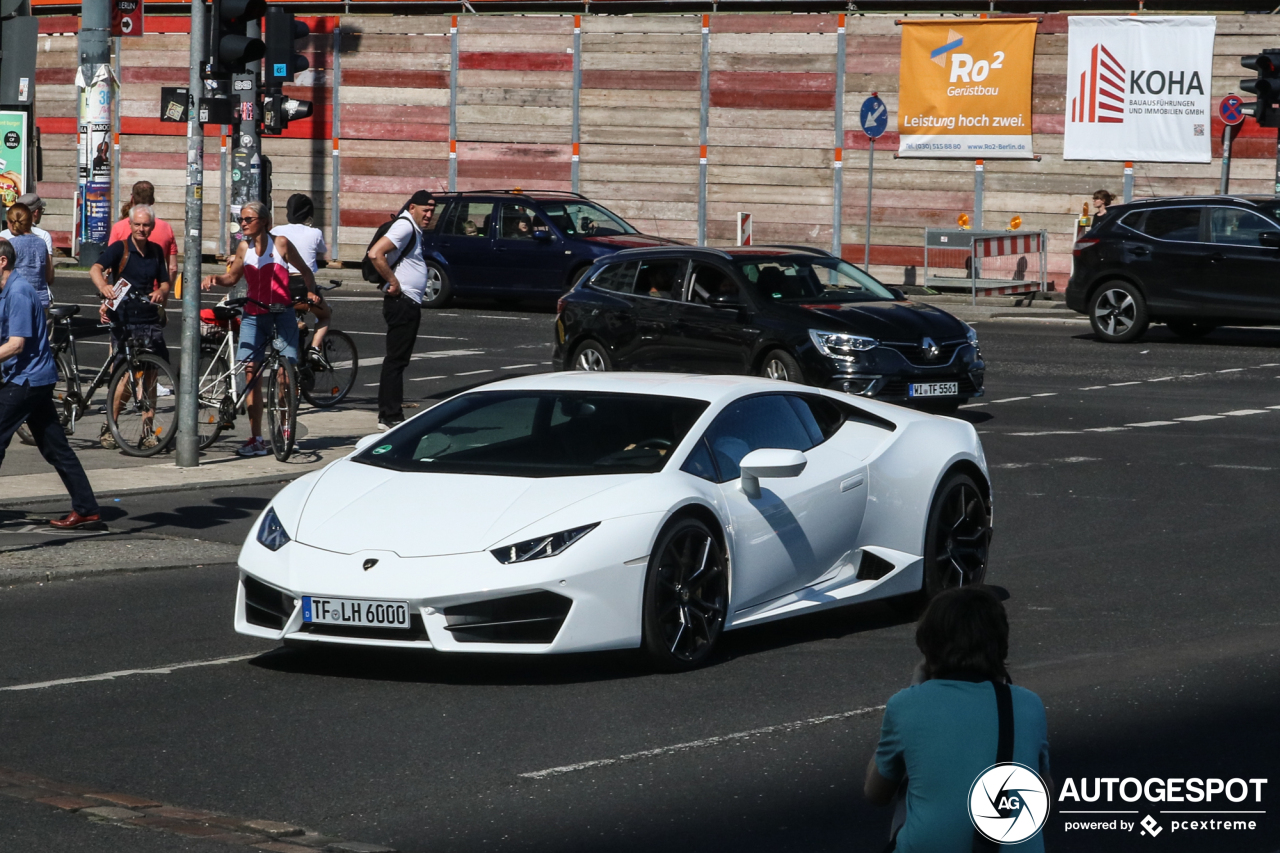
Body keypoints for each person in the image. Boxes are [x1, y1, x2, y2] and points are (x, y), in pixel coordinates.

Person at [864, 587, 1053, 852]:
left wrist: (914, 689)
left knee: (908, 790)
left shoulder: (907, 704)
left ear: (928, 646)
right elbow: (1045, 797)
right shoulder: (1028, 704)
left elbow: (875, 793)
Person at [201, 201, 316, 457]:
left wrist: (309, 293)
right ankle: (256, 438)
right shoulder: (244, 247)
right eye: (242, 219)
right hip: (253, 315)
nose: (243, 223)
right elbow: (232, 277)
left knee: (285, 376)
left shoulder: (282, 243)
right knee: (251, 376)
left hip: (282, 314)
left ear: (264, 221)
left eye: (248, 219)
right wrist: (215, 278)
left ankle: (286, 429)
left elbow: (306, 271)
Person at [0, 239, 101, 529]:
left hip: (26, 380)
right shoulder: (6, 291)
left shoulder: (18, 293)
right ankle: (87, 508)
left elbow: (16, 344)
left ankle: (86, 507)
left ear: (2, 262)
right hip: (34, 378)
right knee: (55, 448)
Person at [89, 204, 171, 450]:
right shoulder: (120, 248)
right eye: (137, 224)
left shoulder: (156, 251)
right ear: (131, 225)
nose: (142, 229)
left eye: (146, 225)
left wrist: (160, 291)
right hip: (124, 320)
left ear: (152, 226)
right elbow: (95, 268)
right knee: (124, 377)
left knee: (151, 377)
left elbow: (166, 284)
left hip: (149, 320)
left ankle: (148, 432)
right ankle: (111, 426)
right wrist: (103, 286)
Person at [366, 190, 435, 431]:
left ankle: (390, 412)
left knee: (398, 360)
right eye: (425, 210)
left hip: (406, 302)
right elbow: (376, 253)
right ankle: (389, 415)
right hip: (402, 302)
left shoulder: (412, 228)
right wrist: (393, 282)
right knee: (396, 360)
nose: (429, 215)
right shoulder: (405, 226)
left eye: (432, 211)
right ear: (412, 207)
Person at [269, 193, 330, 356]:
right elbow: (322, 250)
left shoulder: (276, 231)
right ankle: (315, 349)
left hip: (281, 286)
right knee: (325, 315)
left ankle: (296, 324)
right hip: (304, 286)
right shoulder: (315, 232)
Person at [109, 180, 178, 283]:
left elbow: (110, 262)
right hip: (155, 294)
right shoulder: (166, 228)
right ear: (153, 200)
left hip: (124, 290)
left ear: (132, 198)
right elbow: (172, 267)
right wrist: (165, 291)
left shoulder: (119, 227)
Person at [4, 203, 53, 308]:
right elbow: (49, 276)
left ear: (12, 223)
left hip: (18, 300)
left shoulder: (10, 245)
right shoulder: (42, 243)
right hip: (41, 300)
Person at [1, 193, 55, 259]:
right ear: (36, 212)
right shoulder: (43, 236)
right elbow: (49, 267)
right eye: (41, 210)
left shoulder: (3, 235)